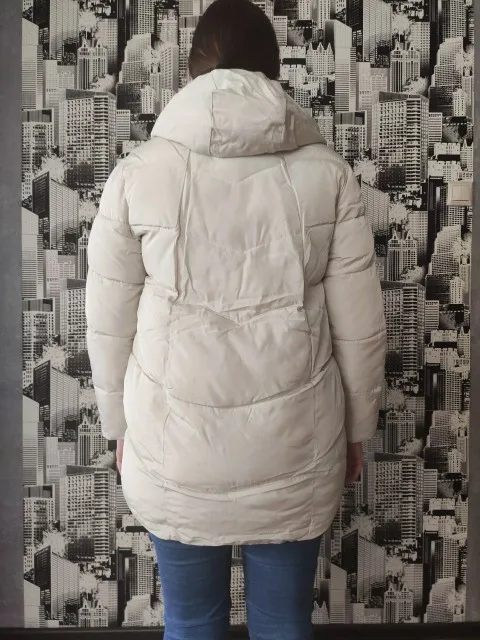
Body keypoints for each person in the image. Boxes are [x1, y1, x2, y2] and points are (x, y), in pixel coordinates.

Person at [85, 0, 386, 637]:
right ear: (273, 73)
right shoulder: (329, 177)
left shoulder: (137, 176)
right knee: (283, 624)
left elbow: (108, 323)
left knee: (192, 623)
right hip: (296, 449)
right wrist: (357, 430)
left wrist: (118, 426)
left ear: (194, 73)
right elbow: (360, 328)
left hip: (174, 451)